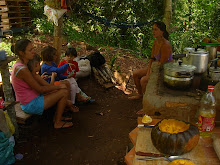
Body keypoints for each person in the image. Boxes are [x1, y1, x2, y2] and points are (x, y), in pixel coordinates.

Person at [11, 39, 73, 129]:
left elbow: (39, 81)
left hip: (32, 98)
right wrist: (59, 86)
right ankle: (57, 122)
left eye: (33, 48)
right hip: (30, 104)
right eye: (30, 50)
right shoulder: (22, 69)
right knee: (63, 92)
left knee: (62, 88)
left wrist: (56, 87)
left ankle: (58, 116)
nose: (33, 51)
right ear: (21, 53)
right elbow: (40, 89)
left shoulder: (24, 64)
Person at [129, 21, 173, 102]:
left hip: (164, 71)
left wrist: (149, 75)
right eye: (153, 29)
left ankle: (146, 103)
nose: (153, 31)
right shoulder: (156, 42)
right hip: (155, 67)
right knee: (135, 73)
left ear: (162, 31)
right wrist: (149, 71)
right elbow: (152, 59)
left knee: (144, 80)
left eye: (156, 30)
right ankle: (140, 95)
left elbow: (162, 65)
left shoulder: (165, 45)